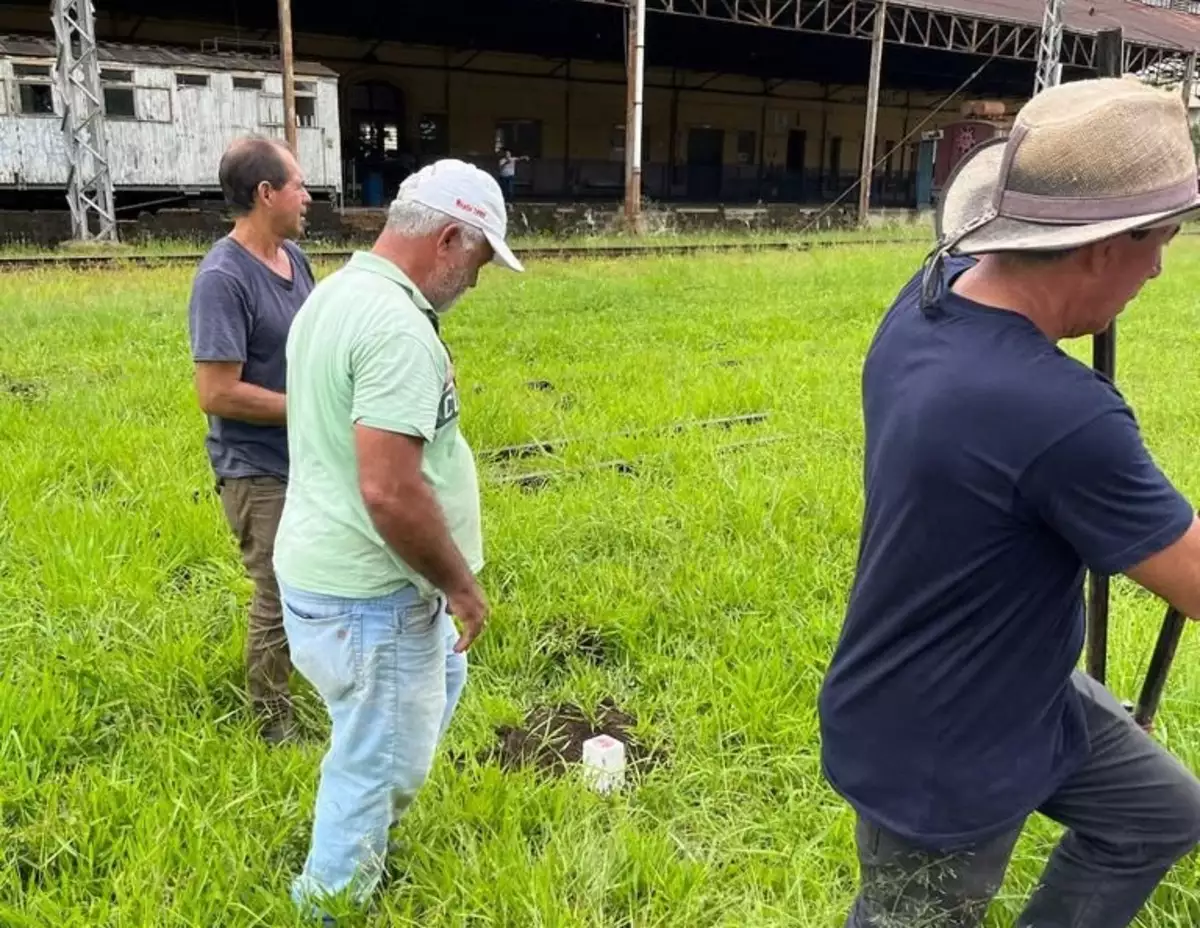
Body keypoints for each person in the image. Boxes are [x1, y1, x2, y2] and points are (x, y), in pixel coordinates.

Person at [819, 77, 1200, 928]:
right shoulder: (1057, 414)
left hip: (1015, 690)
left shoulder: (930, 300)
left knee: (1158, 813)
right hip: (940, 749)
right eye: (1160, 239)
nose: (1162, 267)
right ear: (1101, 247)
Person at [273, 158, 524, 918]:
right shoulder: (394, 328)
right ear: (450, 238)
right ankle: (332, 903)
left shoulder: (338, 294)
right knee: (377, 763)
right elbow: (388, 487)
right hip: (369, 594)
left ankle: (365, 830)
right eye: (479, 259)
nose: (477, 280)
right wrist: (460, 584)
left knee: (435, 689)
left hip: (331, 574)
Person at [188, 134, 314, 745]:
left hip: (307, 457)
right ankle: (272, 724)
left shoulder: (296, 261)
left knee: (312, 577)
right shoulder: (222, 277)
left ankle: (309, 681)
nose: (308, 197)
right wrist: (310, 408)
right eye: (298, 185)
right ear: (266, 194)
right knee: (278, 589)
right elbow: (215, 392)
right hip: (256, 467)